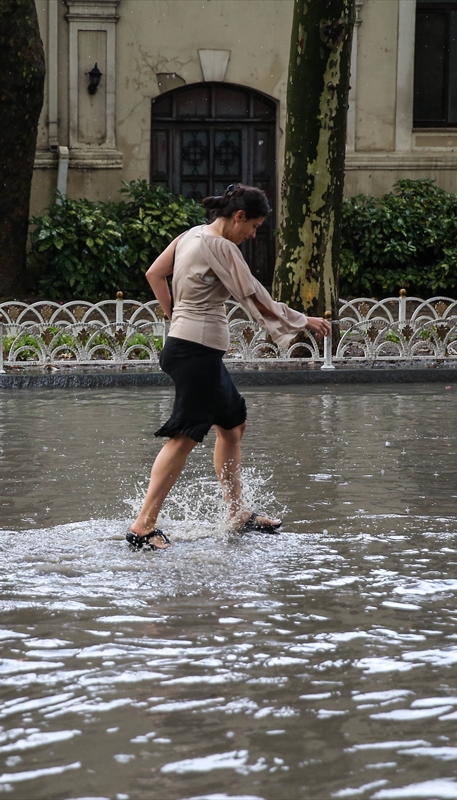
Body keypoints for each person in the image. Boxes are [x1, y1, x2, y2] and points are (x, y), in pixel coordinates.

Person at [126, 184, 332, 551]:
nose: (253, 235)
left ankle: (236, 512)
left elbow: (154, 274)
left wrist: (175, 316)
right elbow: (255, 295)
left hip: (190, 348)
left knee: (233, 424)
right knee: (186, 435)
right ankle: (143, 524)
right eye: (253, 227)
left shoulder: (191, 235)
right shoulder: (222, 246)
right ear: (238, 217)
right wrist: (303, 321)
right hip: (195, 352)